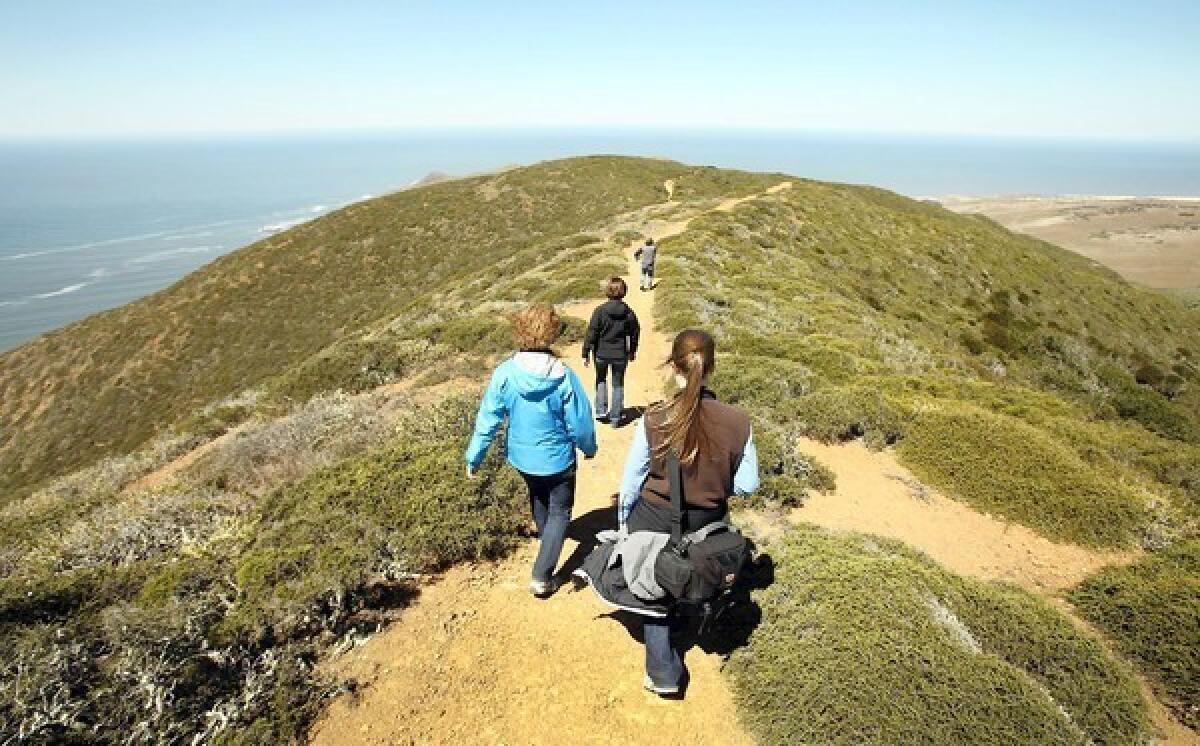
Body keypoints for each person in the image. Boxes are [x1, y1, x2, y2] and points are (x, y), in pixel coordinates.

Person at [616, 329, 759, 695]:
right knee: (689, 572)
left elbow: (633, 479)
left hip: (653, 521)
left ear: (674, 366)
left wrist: (623, 521)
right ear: (710, 367)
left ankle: (662, 671)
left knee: (652, 590)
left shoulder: (655, 417)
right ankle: (687, 617)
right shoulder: (739, 421)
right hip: (707, 525)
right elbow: (747, 485)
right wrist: (714, 488)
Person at [465, 303, 598, 597]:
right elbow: (580, 422)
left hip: (522, 458)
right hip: (558, 460)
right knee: (560, 511)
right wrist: (589, 448)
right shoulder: (563, 376)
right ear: (552, 333)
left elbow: (488, 418)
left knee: (538, 497)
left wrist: (474, 457)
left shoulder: (505, 374)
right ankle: (542, 574)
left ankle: (547, 543)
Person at [582, 277, 640, 427]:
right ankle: (615, 417)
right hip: (620, 355)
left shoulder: (600, 311)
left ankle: (601, 412)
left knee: (601, 379)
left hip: (601, 354)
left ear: (608, 291)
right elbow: (635, 333)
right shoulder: (628, 312)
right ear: (624, 292)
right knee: (618, 384)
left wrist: (585, 353)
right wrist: (632, 351)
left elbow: (592, 333)